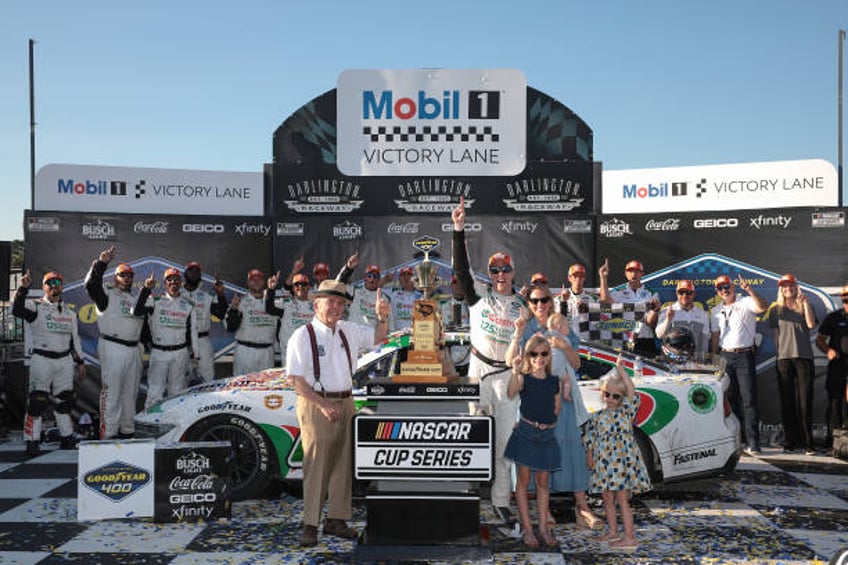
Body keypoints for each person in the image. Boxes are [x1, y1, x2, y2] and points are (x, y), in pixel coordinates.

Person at [286, 279, 390, 547]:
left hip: (346, 402)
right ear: (316, 303)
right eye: (330, 301)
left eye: (340, 303)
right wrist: (322, 404)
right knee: (317, 464)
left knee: (343, 465)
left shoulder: (348, 330)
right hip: (316, 403)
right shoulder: (302, 335)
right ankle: (310, 524)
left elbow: (379, 338)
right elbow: (295, 380)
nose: (336, 307)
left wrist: (382, 317)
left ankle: (336, 520)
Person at [451, 195, 529, 525]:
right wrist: (458, 230)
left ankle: (501, 501)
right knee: (473, 436)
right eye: (494, 270)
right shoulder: (478, 296)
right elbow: (459, 271)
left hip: (507, 376)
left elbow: (534, 346)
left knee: (505, 444)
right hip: (479, 370)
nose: (500, 274)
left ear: (513, 271)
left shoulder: (524, 305)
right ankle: (468, 494)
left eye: (505, 269)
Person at [508, 289, 599, 531]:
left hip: (565, 401)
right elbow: (516, 361)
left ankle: (582, 508)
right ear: (530, 303)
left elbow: (577, 363)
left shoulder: (563, 326)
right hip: (536, 399)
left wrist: (563, 346)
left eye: (544, 299)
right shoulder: (524, 326)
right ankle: (543, 510)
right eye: (535, 300)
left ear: (551, 302)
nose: (540, 304)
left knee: (571, 451)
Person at [584, 353, 652, 552]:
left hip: (621, 464)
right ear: (602, 393)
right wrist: (590, 456)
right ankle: (613, 531)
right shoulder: (597, 416)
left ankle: (629, 536)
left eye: (616, 396)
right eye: (607, 394)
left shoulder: (625, 412)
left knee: (622, 499)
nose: (611, 399)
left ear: (621, 398)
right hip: (604, 464)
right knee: (607, 499)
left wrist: (621, 370)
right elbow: (590, 438)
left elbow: (632, 392)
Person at [14, 270, 86, 455]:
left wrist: (81, 362)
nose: (54, 285)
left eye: (58, 282)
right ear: (45, 287)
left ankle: (66, 438)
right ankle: (32, 441)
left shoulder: (69, 312)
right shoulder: (35, 306)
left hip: (64, 360)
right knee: (38, 401)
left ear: (62, 286)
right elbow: (17, 310)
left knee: (66, 401)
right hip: (42, 359)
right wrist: (22, 288)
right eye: (50, 282)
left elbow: (74, 340)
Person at [503, 335, 561, 548]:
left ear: (548, 355)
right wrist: (515, 370)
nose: (539, 358)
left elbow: (556, 410)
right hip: (526, 433)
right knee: (523, 482)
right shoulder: (523, 378)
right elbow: (510, 393)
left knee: (543, 483)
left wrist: (550, 425)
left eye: (544, 353)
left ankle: (543, 529)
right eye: (534, 354)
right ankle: (528, 530)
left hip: (547, 437)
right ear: (528, 356)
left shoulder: (555, 381)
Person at [84, 246, 145, 439]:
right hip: (113, 346)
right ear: (115, 277)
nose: (127, 277)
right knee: (112, 393)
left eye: (130, 275)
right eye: (123, 274)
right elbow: (91, 285)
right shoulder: (106, 294)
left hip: (134, 349)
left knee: (130, 394)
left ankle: (128, 431)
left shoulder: (135, 299)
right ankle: (108, 434)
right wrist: (101, 263)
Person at [709, 274, 768, 456]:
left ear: (733, 287)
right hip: (725, 356)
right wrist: (713, 358)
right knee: (730, 400)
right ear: (717, 292)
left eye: (727, 286)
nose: (724, 291)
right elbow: (715, 336)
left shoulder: (746, 301)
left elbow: (763, 307)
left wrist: (749, 289)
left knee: (749, 399)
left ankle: (753, 442)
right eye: (720, 288)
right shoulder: (715, 311)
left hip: (744, 355)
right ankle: (736, 441)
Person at [766, 274, 817, 455]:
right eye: (784, 286)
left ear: (796, 287)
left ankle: (809, 443)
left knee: (805, 402)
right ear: (781, 289)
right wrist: (780, 355)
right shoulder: (776, 310)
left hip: (804, 358)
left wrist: (805, 303)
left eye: (791, 285)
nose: (788, 288)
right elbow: (776, 335)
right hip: (784, 360)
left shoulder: (804, 304)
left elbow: (811, 324)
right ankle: (790, 442)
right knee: (787, 403)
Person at [134, 268, 199, 409]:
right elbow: (137, 311)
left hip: (180, 353)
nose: (173, 282)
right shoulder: (155, 301)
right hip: (159, 352)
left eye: (176, 279)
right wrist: (146, 289)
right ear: (165, 283)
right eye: (170, 280)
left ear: (181, 283)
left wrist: (196, 354)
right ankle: (150, 424)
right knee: (155, 392)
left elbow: (193, 330)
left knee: (177, 392)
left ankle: (174, 424)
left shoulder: (189, 305)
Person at [601, 259, 660, 357]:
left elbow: (651, 323)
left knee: (649, 371)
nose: (634, 274)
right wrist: (603, 278)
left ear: (642, 274)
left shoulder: (651, 293)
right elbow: (605, 304)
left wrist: (654, 311)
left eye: (637, 271)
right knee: (623, 370)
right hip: (623, 340)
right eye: (630, 271)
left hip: (644, 340)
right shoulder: (617, 292)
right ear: (625, 273)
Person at [182, 261, 228, 383]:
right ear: (185, 273)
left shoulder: (206, 296)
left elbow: (220, 314)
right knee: (180, 379)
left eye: (197, 271)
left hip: (202, 341)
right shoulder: (177, 294)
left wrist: (220, 294)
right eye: (191, 270)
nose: (194, 274)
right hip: (181, 342)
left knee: (207, 378)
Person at [815, 283, 848, 453]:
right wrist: (828, 350)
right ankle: (833, 444)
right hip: (838, 366)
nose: (847, 302)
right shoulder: (834, 317)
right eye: (845, 300)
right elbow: (819, 340)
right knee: (835, 404)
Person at [225, 269, 277, 375]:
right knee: (242, 387)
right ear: (248, 283)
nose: (256, 282)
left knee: (267, 387)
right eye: (253, 280)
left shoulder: (274, 302)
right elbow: (230, 327)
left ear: (265, 282)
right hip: (245, 352)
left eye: (259, 279)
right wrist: (234, 309)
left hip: (267, 352)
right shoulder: (241, 301)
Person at [264, 271, 314, 365]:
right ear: (293, 288)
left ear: (308, 287)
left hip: (309, 351)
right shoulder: (286, 303)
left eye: (303, 284)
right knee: (289, 379)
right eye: (297, 285)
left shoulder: (316, 306)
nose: (300, 287)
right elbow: (269, 309)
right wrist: (270, 289)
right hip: (289, 351)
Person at [656, 279, 711, 359]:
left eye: (688, 292)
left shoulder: (703, 314)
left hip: (693, 361)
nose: (685, 295)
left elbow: (704, 341)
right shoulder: (666, 311)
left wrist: (701, 358)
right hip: (671, 359)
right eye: (681, 292)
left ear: (693, 294)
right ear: (676, 293)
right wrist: (668, 319)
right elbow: (659, 335)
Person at [557, 260, 610, 341]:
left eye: (581, 276)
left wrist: (603, 277)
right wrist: (563, 301)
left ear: (584, 278)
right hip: (565, 342)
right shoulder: (558, 299)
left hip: (586, 344)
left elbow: (606, 306)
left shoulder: (592, 298)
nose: (578, 279)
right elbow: (555, 323)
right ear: (569, 278)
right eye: (575, 276)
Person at [348, 264, 392, 330]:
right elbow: (338, 285)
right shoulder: (354, 290)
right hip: (353, 334)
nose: (372, 279)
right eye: (369, 276)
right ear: (365, 277)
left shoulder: (385, 298)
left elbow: (390, 322)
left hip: (372, 337)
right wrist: (348, 268)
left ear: (379, 279)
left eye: (375, 276)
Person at [386, 266, 421, 332]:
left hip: (415, 336)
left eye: (409, 274)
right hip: (396, 336)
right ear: (399, 279)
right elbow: (376, 288)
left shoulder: (420, 296)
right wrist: (386, 279)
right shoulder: (393, 292)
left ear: (415, 278)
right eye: (403, 275)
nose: (406, 277)